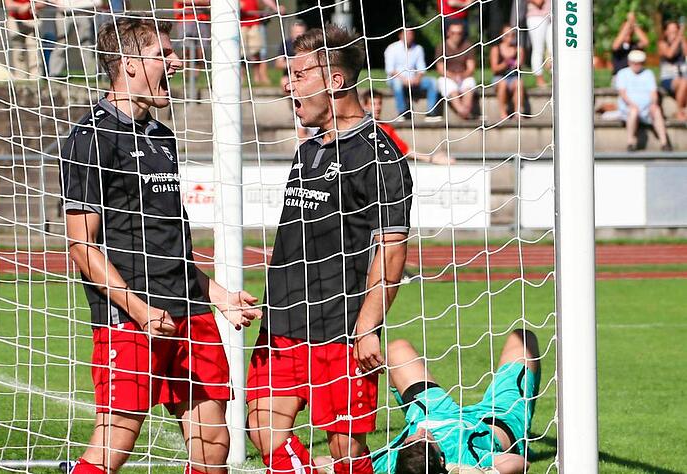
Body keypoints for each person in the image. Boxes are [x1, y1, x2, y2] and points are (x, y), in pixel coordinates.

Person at [60, 16, 261, 473]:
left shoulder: (162, 137)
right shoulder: (91, 139)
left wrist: (220, 297)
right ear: (129, 65)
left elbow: (172, 246)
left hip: (189, 311)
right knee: (114, 443)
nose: (175, 61)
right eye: (162, 55)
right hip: (131, 319)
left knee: (214, 448)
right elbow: (81, 248)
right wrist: (139, 310)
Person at [246, 25, 414, 474]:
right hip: (282, 322)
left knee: (346, 455)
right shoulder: (308, 151)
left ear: (334, 81)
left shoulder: (379, 154)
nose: (288, 84)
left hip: (339, 330)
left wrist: (366, 326)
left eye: (298, 75)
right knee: (263, 432)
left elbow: (392, 250)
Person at [372, 329, 541, 474]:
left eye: (412, 438)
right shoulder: (463, 458)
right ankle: (523, 441)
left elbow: (351, 462)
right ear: (442, 460)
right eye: (425, 438)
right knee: (523, 339)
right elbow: (519, 463)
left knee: (397, 349)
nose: (421, 430)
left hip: (432, 410)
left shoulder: (391, 459)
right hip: (495, 418)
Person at [360, 90, 454, 164]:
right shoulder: (359, 128)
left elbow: (405, 150)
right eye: (373, 104)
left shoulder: (386, 128)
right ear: (365, 106)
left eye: (379, 103)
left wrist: (431, 158)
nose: (377, 107)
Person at [615, 50, 672, 152]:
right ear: (629, 62)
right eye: (634, 63)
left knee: (656, 110)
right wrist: (632, 104)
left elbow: (653, 93)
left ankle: (664, 143)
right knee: (633, 111)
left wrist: (654, 104)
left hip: (646, 108)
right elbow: (622, 93)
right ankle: (630, 142)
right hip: (629, 108)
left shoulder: (648, 73)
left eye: (639, 63)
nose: (637, 65)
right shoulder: (622, 73)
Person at [383, 28, 440, 121]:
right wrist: (404, 79)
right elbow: (390, 70)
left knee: (433, 82)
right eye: (406, 34)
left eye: (411, 34)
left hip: (414, 80)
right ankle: (403, 112)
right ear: (400, 35)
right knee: (397, 84)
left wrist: (417, 78)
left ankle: (431, 113)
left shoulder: (418, 49)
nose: (409, 37)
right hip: (396, 78)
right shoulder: (392, 48)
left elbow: (422, 69)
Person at [48, 0, 101, 77]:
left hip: (82, 13)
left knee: (86, 43)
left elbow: (98, 2)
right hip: (64, 13)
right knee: (61, 43)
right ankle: (54, 73)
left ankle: (92, 74)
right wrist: (57, 3)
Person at [435, 22, 477, 120]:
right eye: (454, 33)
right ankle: (462, 111)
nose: (456, 36)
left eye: (459, 33)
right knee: (449, 86)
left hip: (463, 77)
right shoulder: (442, 46)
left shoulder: (467, 46)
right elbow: (440, 68)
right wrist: (453, 76)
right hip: (447, 77)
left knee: (469, 83)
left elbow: (471, 68)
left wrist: (461, 76)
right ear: (448, 33)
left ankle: (465, 110)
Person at [240, 0, 284, 85]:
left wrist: (275, 8)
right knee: (241, 53)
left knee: (257, 52)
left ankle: (258, 77)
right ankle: (242, 77)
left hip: (254, 23)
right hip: (241, 24)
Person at [173, 0, 210, 98]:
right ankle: (185, 82)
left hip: (203, 20)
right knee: (186, 53)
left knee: (200, 55)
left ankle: (195, 82)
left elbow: (209, 2)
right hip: (186, 20)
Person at [490, 25, 525, 120]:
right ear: (502, 36)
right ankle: (503, 113)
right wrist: (505, 64)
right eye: (507, 35)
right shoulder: (496, 49)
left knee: (519, 83)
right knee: (502, 84)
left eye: (512, 35)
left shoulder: (519, 49)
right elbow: (494, 69)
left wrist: (517, 63)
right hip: (500, 77)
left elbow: (520, 64)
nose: (510, 37)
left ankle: (518, 111)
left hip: (513, 77)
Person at [6, 0, 46, 78]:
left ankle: (36, 76)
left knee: (34, 49)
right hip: (15, 20)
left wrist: (28, 5)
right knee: (18, 50)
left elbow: (42, 3)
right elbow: (9, 5)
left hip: (32, 20)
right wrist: (21, 7)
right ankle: (20, 77)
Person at [658, 20, 687, 120]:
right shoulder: (662, 44)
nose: (673, 34)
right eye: (671, 32)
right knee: (684, 81)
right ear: (665, 32)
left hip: (682, 78)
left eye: (675, 31)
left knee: (684, 81)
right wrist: (678, 38)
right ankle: (679, 111)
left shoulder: (681, 41)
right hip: (668, 79)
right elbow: (669, 54)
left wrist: (682, 38)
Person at [611, 12, 649, 80]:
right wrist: (629, 22)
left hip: (635, 76)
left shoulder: (635, 45)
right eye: (626, 29)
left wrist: (634, 24)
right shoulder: (618, 45)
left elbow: (646, 42)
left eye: (629, 29)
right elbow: (615, 46)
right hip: (619, 77)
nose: (628, 31)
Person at [275, 19, 307, 90]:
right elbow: (278, 64)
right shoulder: (286, 45)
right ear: (291, 33)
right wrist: (292, 62)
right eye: (296, 32)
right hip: (289, 75)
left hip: (306, 74)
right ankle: (292, 99)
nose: (299, 35)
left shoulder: (308, 45)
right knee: (284, 82)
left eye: (301, 33)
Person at [525, 0, 551, 88]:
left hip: (550, 17)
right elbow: (538, 2)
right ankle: (539, 79)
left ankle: (554, 76)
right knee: (538, 49)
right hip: (536, 17)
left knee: (553, 49)